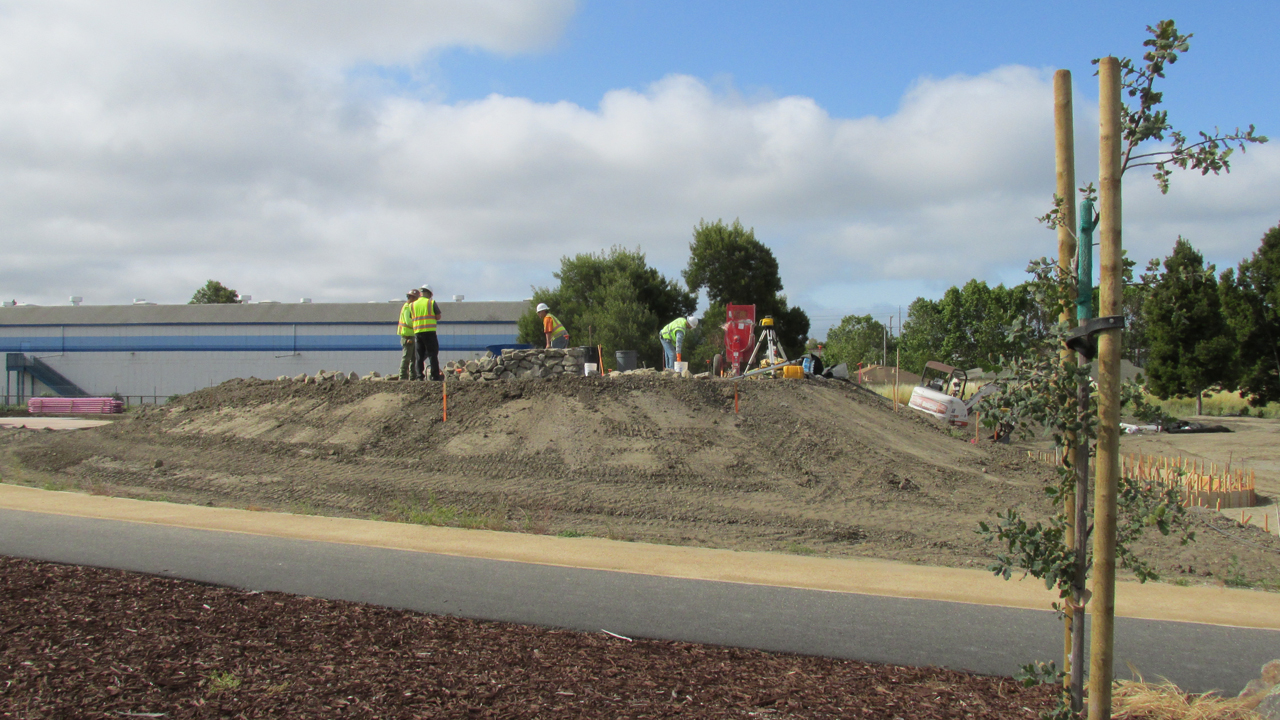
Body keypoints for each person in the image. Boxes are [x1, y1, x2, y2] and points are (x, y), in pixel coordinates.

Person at [411, 284, 443, 381]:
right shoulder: (431, 302)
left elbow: (411, 316)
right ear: (429, 293)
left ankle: (419, 376)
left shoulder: (413, 304)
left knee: (419, 356)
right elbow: (438, 316)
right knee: (432, 354)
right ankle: (435, 376)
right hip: (429, 332)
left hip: (418, 332)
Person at [397, 288, 420, 380]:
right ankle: (403, 376)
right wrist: (418, 324)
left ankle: (413, 376)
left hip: (411, 336)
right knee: (407, 357)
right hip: (407, 336)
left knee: (413, 358)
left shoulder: (410, 307)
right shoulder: (407, 307)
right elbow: (408, 321)